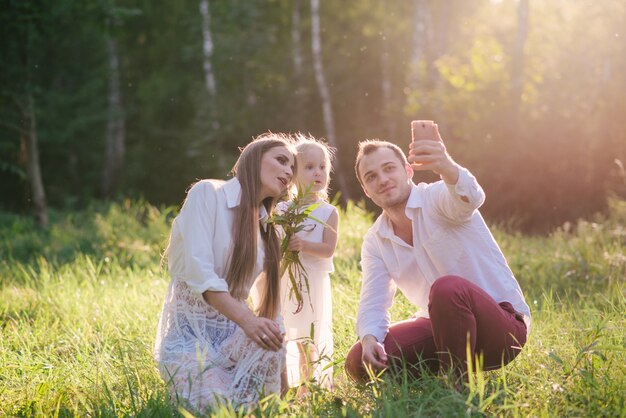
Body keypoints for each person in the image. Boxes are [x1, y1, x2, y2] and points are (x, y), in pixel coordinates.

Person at [345, 126, 531, 384]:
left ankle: (456, 385)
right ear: (366, 189)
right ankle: (433, 373)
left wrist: (445, 165)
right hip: (444, 331)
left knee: (447, 288)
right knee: (358, 361)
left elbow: (471, 197)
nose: (383, 179)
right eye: (371, 176)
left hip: (502, 329)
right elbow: (373, 302)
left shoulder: (437, 198)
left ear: (408, 171)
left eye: (389, 169)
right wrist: (368, 340)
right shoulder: (375, 241)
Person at [154, 133, 297, 412]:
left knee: (260, 396)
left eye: (292, 167)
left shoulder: (268, 229)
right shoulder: (208, 193)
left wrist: (284, 384)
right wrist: (248, 320)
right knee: (217, 405)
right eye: (281, 160)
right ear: (254, 158)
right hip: (191, 339)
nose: (289, 171)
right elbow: (200, 273)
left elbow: (271, 311)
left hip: (236, 338)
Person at [279, 135, 339, 392]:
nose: (318, 172)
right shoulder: (281, 210)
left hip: (312, 282)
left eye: (323, 167)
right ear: (292, 174)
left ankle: (308, 384)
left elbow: (328, 250)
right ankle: (284, 382)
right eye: (310, 167)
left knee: (307, 336)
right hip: (285, 280)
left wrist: (304, 245)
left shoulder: (328, 212)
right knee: (286, 332)